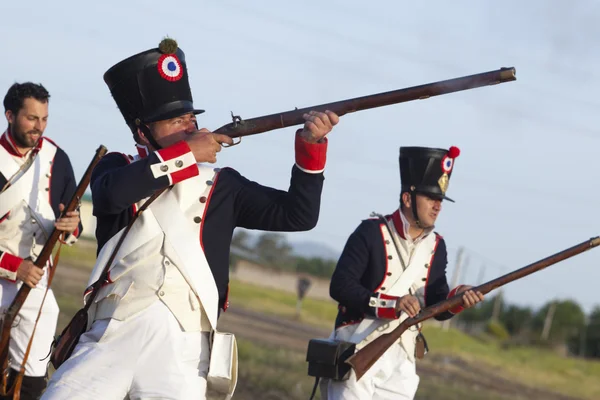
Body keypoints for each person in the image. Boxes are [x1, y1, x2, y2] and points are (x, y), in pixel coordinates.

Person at [42, 38, 339, 400]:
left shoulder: (223, 185)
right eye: (175, 120)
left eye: (190, 118)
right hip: (112, 329)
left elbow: (299, 215)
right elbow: (112, 194)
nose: (189, 126)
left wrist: (311, 144)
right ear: (142, 131)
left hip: (185, 346)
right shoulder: (118, 166)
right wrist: (184, 156)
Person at [321, 145, 484, 400]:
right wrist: (392, 304)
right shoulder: (370, 232)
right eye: (430, 198)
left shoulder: (436, 246)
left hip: (402, 356)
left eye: (439, 200)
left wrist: (459, 298)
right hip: (357, 345)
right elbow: (340, 287)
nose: (437, 206)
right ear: (408, 198)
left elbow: (435, 303)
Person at [0, 82, 81, 400]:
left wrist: (70, 227)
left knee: (30, 384)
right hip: (11, 272)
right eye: (31, 118)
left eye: (44, 119)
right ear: (9, 115)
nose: (39, 127)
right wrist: (14, 268)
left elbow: (73, 227)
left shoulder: (57, 158)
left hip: (35, 285)